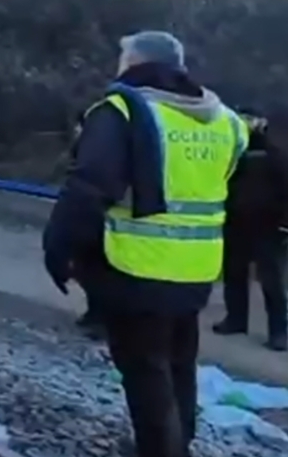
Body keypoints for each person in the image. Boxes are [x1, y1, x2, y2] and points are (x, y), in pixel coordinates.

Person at [42, 30, 248, 457]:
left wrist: (58, 249)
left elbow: (88, 187)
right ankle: (178, 444)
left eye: (122, 59)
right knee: (178, 364)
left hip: (137, 267)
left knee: (144, 372)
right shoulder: (223, 118)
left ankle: (160, 451)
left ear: (135, 64)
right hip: (197, 269)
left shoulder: (123, 111)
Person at [213, 109, 288, 352]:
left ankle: (279, 331)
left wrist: (283, 223)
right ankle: (235, 319)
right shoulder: (232, 153)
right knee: (234, 273)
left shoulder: (274, 154)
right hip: (235, 222)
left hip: (266, 225)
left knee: (270, 279)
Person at [68, 109, 105, 339]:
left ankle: (101, 317)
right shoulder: (86, 145)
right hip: (84, 213)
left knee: (96, 268)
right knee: (85, 266)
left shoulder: (99, 148)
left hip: (98, 215)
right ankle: (94, 312)